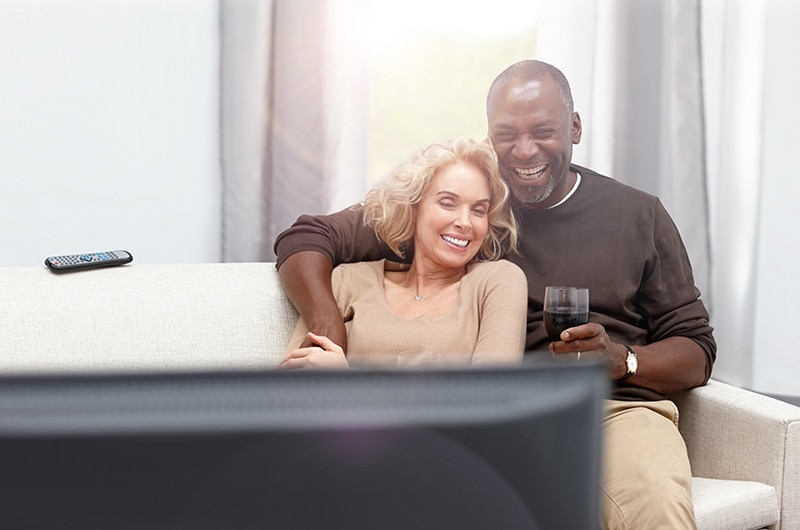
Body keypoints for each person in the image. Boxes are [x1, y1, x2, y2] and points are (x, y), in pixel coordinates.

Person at [274, 60, 716, 529]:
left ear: (575, 127)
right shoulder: (469, 204)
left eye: (543, 131)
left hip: (611, 410)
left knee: (654, 504)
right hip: (504, 421)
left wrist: (624, 359)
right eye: (507, 134)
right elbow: (306, 238)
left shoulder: (637, 215)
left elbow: (696, 349)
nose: (524, 151)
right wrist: (329, 327)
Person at [279, 137, 527, 369]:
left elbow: (492, 398)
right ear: (414, 207)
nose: (465, 222)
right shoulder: (347, 280)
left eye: (478, 209)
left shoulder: (498, 282)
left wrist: (346, 381)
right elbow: (290, 385)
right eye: (448, 203)